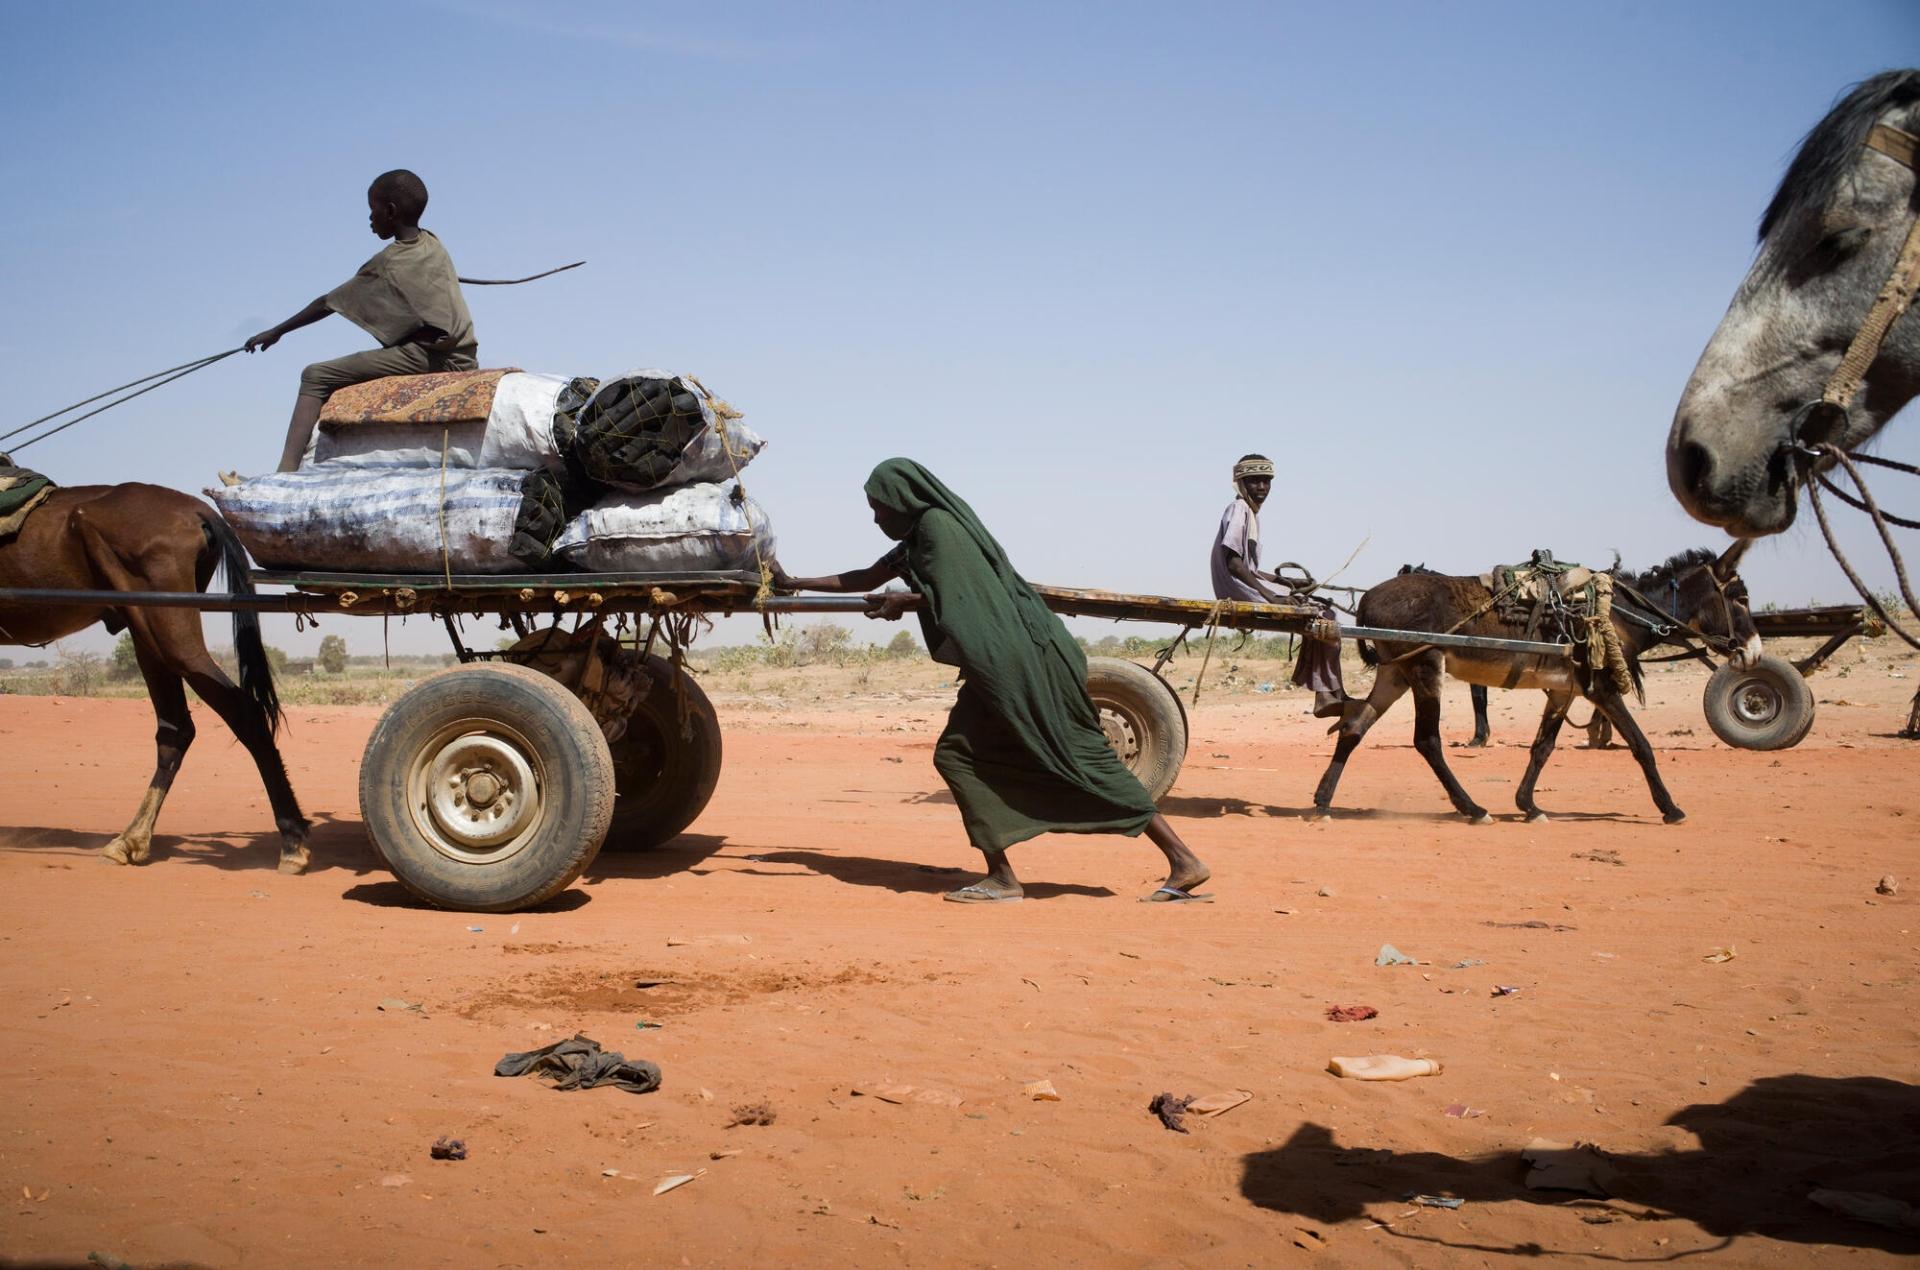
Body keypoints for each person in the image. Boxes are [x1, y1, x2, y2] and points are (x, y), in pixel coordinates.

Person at [774, 458, 1212, 904]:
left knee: (1039, 754)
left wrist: (903, 601)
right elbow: (867, 578)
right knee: (992, 754)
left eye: (879, 507)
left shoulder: (937, 527)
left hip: (1019, 658)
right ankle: (1175, 860)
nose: (876, 518)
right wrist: (793, 582)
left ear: (902, 499)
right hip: (1011, 656)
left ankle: (1009, 878)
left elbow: (958, 594)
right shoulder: (915, 540)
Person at [241, 169, 478, 473]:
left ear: (390, 211)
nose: (369, 218)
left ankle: (285, 472)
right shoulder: (433, 243)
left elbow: (327, 303)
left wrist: (277, 331)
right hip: (464, 354)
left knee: (315, 375)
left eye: (373, 210)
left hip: (433, 357)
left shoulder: (387, 262)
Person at [1210, 453, 1348, 718]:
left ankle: (1329, 692)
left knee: (1319, 608)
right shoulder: (1239, 509)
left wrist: (1285, 582)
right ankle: (1327, 693)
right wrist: (1272, 597)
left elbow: (1247, 567)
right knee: (1324, 615)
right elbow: (1234, 565)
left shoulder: (1249, 513)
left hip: (1240, 582)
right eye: (1254, 482)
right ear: (1240, 482)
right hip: (1234, 585)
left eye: (1266, 482)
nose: (1262, 488)